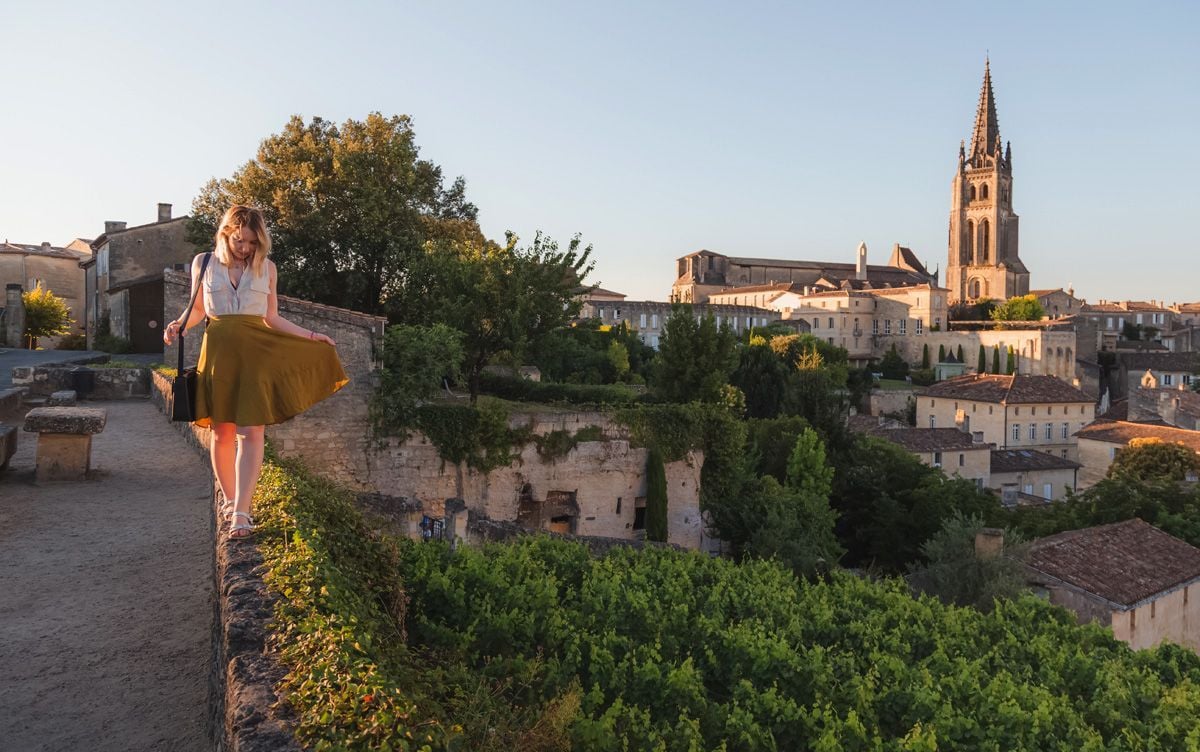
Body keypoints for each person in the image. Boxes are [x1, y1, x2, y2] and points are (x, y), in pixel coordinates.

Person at [164, 205, 348, 539]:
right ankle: (230, 498)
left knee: (251, 432)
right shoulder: (202, 263)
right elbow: (199, 310)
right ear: (225, 234)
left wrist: (310, 336)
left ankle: (242, 512)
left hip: (255, 356)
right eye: (239, 240)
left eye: (252, 242)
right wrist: (178, 324)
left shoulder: (268, 268)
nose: (245, 248)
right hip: (218, 355)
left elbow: (271, 317)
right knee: (221, 432)